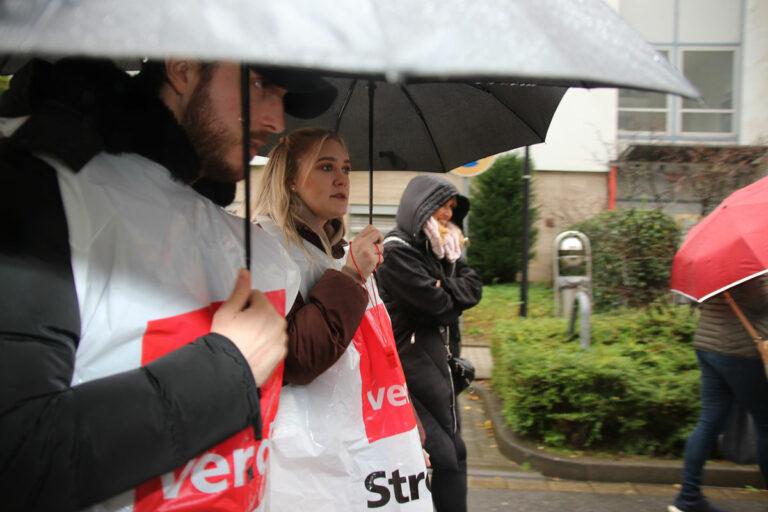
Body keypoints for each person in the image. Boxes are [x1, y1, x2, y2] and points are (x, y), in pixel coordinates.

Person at [0, 57, 336, 511]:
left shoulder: (229, 235)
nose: (277, 119)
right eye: (258, 84)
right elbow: (18, 457)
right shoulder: (41, 191)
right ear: (182, 69)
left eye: (282, 97)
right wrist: (227, 368)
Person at [255, 128, 432, 510]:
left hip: (355, 451)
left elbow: (378, 353)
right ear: (290, 179)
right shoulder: (264, 248)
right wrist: (351, 278)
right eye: (325, 166)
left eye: (347, 168)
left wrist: (404, 427)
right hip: (301, 460)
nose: (341, 179)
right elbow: (297, 359)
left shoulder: (342, 253)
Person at [376, 174, 483, 512]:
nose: (448, 214)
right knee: (442, 460)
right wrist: (447, 294)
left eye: (452, 207)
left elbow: (474, 286)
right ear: (417, 206)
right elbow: (436, 307)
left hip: (440, 373)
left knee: (456, 455)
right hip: (409, 374)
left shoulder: (443, 250)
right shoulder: (396, 252)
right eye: (441, 205)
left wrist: (442, 284)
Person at [669, 278, 768, 512]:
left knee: (709, 421)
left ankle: (688, 498)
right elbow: (758, 301)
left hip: (709, 346)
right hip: (741, 351)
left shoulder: (714, 264)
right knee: (766, 424)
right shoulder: (748, 266)